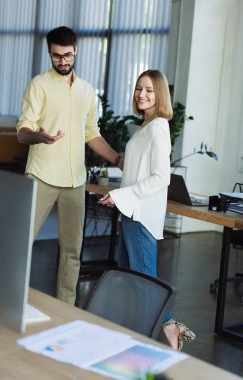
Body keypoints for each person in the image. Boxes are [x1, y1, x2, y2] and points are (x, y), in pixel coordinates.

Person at [16, 26, 123, 306]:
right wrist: (38, 136)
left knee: (72, 251)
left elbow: (92, 134)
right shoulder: (38, 85)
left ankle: (66, 310)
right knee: (19, 243)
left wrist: (118, 159)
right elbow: (22, 130)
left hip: (75, 181)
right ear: (49, 53)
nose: (63, 61)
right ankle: (7, 300)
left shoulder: (87, 91)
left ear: (76, 51)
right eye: (56, 56)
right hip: (41, 175)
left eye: (68, 55)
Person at [98, 69, 196, 350]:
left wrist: (122, 196)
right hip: (131, 213)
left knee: (144, 282)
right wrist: (119, 198)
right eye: (139, 88)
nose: (142, 94)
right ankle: (159, 332)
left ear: (160, 94)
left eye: (149, 90)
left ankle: (160, 335)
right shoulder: (145, 126)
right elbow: (138, 172)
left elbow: (160, 178)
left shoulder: (159, 127)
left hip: (141, 217)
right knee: (136, 278)